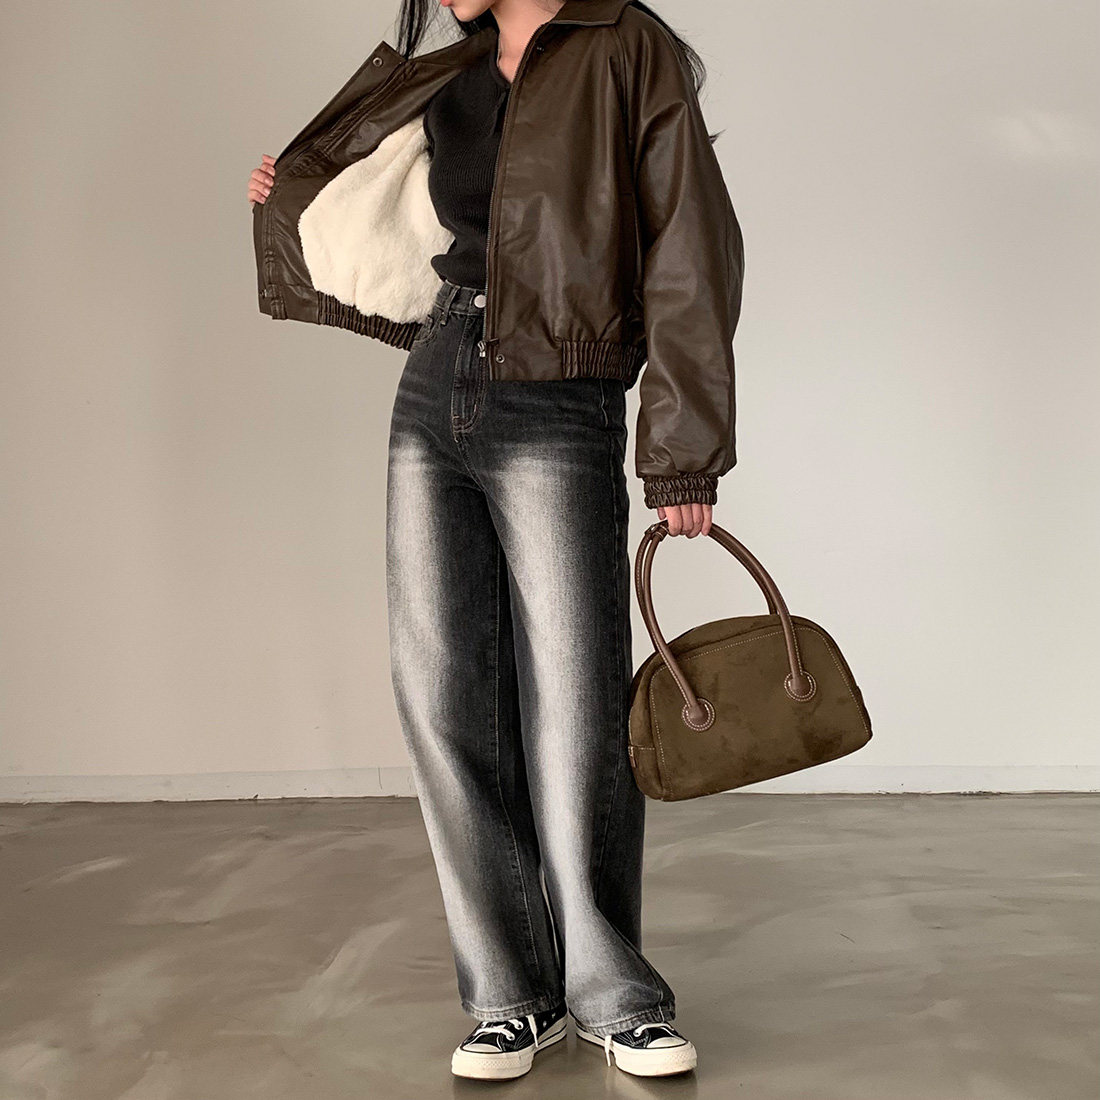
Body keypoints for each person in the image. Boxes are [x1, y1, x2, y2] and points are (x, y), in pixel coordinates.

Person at [247, 0, 743, 1080]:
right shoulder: (457, 61)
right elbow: (400, 204)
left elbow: (690, 248)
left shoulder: (626, 48)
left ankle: (614, 993)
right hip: (437, 380)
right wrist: (297, 191)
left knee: (575, 702)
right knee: (443, 698)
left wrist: (682, 451)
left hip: (559, 393)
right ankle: (510, 994)